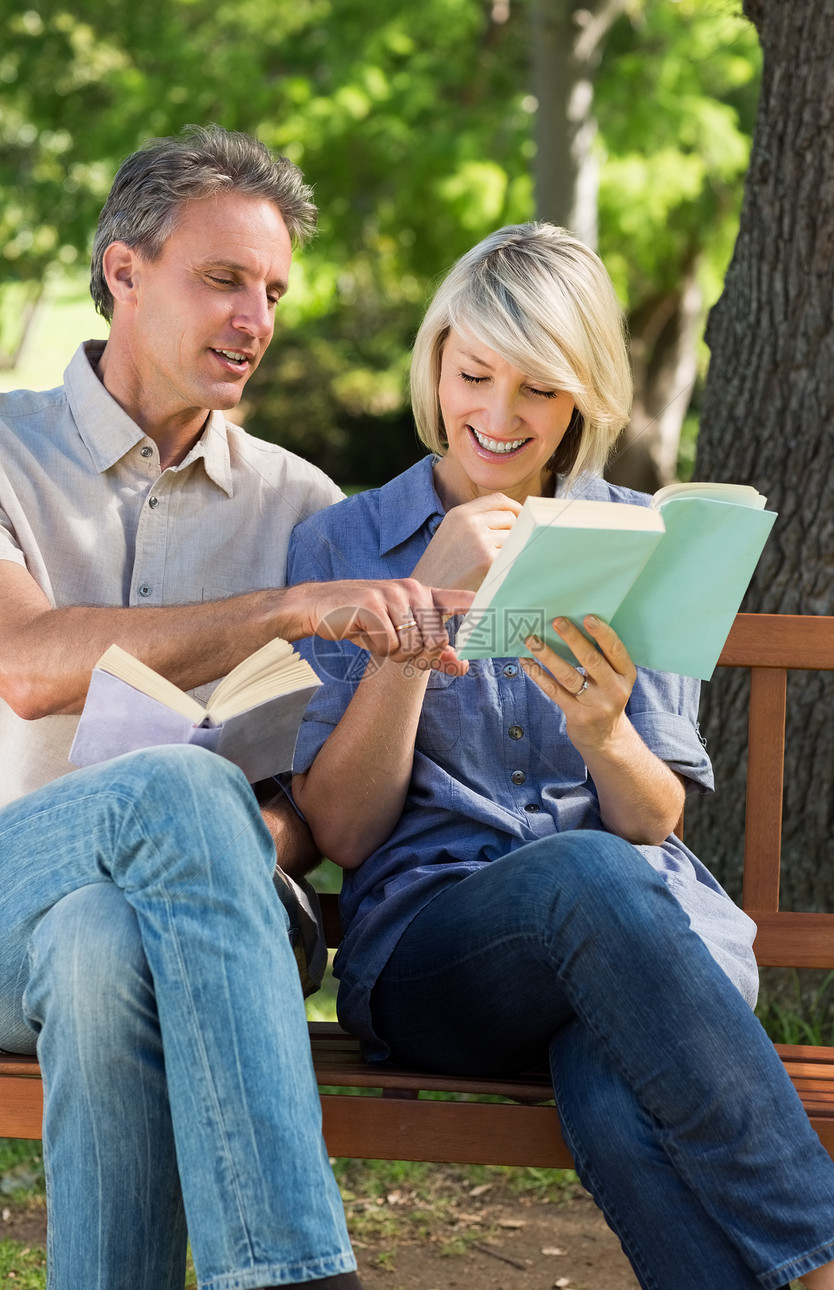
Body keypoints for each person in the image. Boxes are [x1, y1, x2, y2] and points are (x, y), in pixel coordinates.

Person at [285, 223, 834, 1290]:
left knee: (613, 1087)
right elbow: (346, 832)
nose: (497, 418)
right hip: (438, 959)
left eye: (538, 390)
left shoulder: (640, 536)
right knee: (582, 874)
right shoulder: (345, 545)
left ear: (583, 394)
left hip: (644, 957)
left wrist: (603, 732)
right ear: (435, 362)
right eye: (473, 376)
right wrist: (420, 624)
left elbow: (652, 821)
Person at [0, 124, 469, 1290]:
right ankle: (296, 1271)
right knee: (172, 785)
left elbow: (312, 802)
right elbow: (27, 662)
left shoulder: (299, 500)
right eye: (223, 279)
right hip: (8, 887)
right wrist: (289, 609)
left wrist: (264, 834)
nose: (255, 318)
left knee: (112, 943)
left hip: (186, 923)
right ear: (123, 270)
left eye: (271, 290)